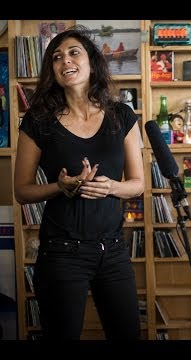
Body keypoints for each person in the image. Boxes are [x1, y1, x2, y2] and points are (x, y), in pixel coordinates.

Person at [13, 25, 145, 340]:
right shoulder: (38, 121)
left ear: (91, 62)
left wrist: (111, 187)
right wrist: (61, 186)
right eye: (56, 57)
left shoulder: (122, 115)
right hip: (61, 253)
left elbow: (138, 183)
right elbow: (21, 191)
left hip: (112, 251)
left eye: (74, 52)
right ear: (52, 70)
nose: (65, 61)